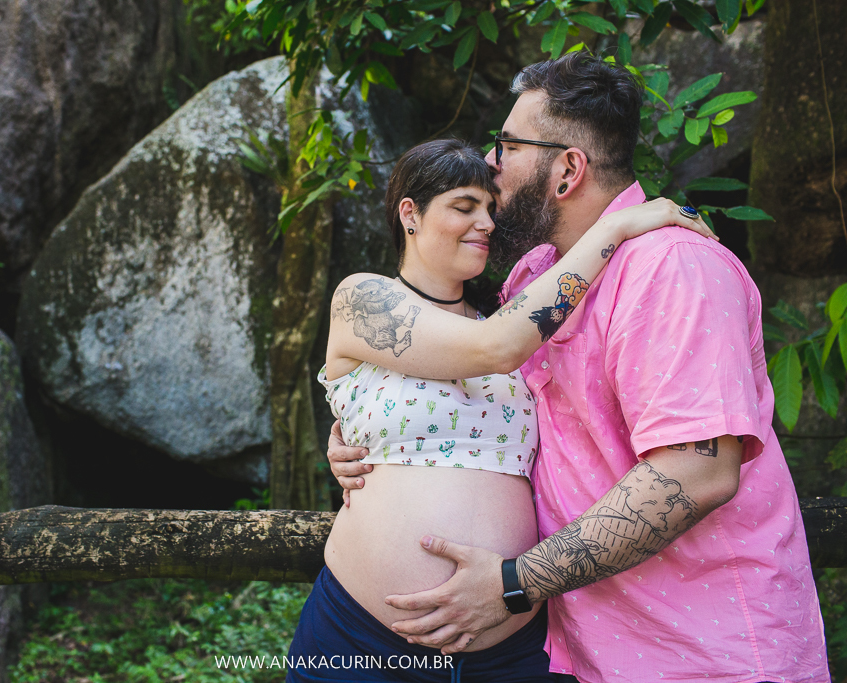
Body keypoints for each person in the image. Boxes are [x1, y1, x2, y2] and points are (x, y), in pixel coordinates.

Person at [327, 52, 831, 683]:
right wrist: (361, 429)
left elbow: (697, 471)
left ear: (568, 169)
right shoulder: (533, 277)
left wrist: (516, 582)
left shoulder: (673, 268)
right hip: (582, 650)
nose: (491, 161)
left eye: (509, 145)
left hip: (705, 651)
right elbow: (480, 387)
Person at [286, 137, 713, 683]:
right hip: (364, 640)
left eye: (490, 208)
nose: (485, 223)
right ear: (410, 214)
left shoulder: (508, 317)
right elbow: (490, 349)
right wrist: (617, 225)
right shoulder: (362, 299)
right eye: (464, 207)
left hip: (509, 648)